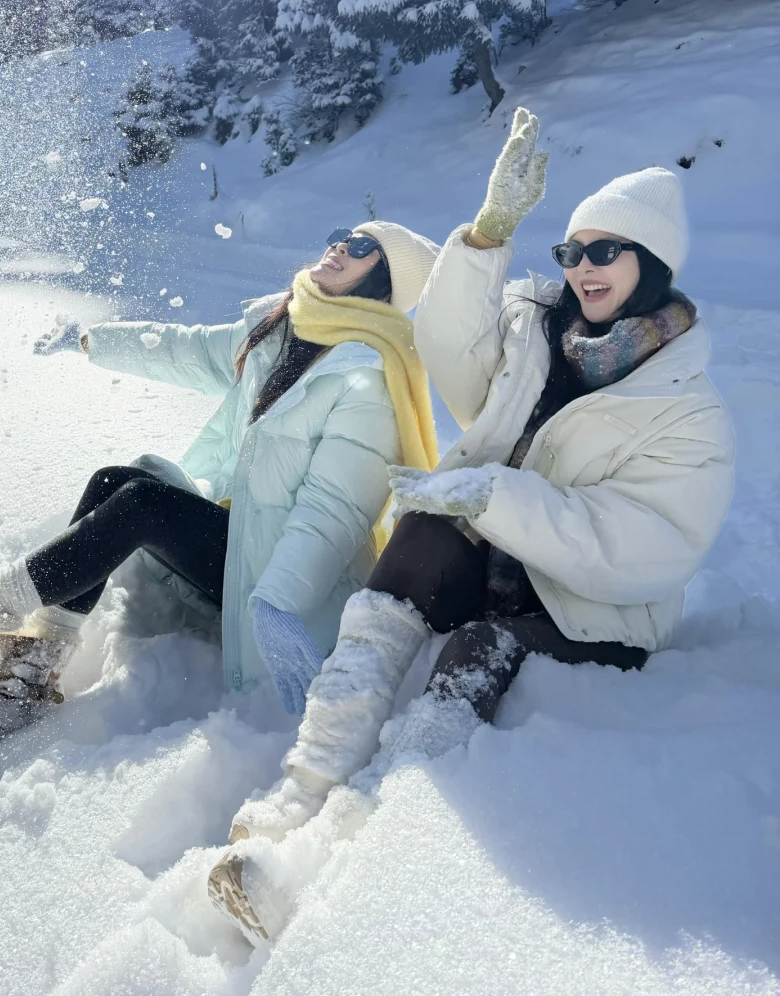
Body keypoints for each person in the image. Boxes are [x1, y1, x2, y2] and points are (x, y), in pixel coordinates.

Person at [209, 110, 735, 944]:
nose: (584, 268)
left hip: (593, 606)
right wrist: (488, 238)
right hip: (499, 541)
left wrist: (500, 498)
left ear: (654, 262)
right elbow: (452, 354)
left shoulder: (687, 408)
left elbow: (644, 550)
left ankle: (331, 862)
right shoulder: (541, 333)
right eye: (573, 251)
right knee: (417, 541)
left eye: (607, 250)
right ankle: (300, 793)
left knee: (477, 651)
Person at [0, 221, 441, 744]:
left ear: (384, 283)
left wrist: (281, 601)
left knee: (144, 504)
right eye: (340, 237)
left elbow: (334, 512)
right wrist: (98, 341)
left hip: (276, 580)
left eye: (362, 250)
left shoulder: (365, 381)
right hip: (241, 535)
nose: (339, 248)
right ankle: (30, 676)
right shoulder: (288, 325)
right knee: (117, 480)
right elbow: (192, 351)